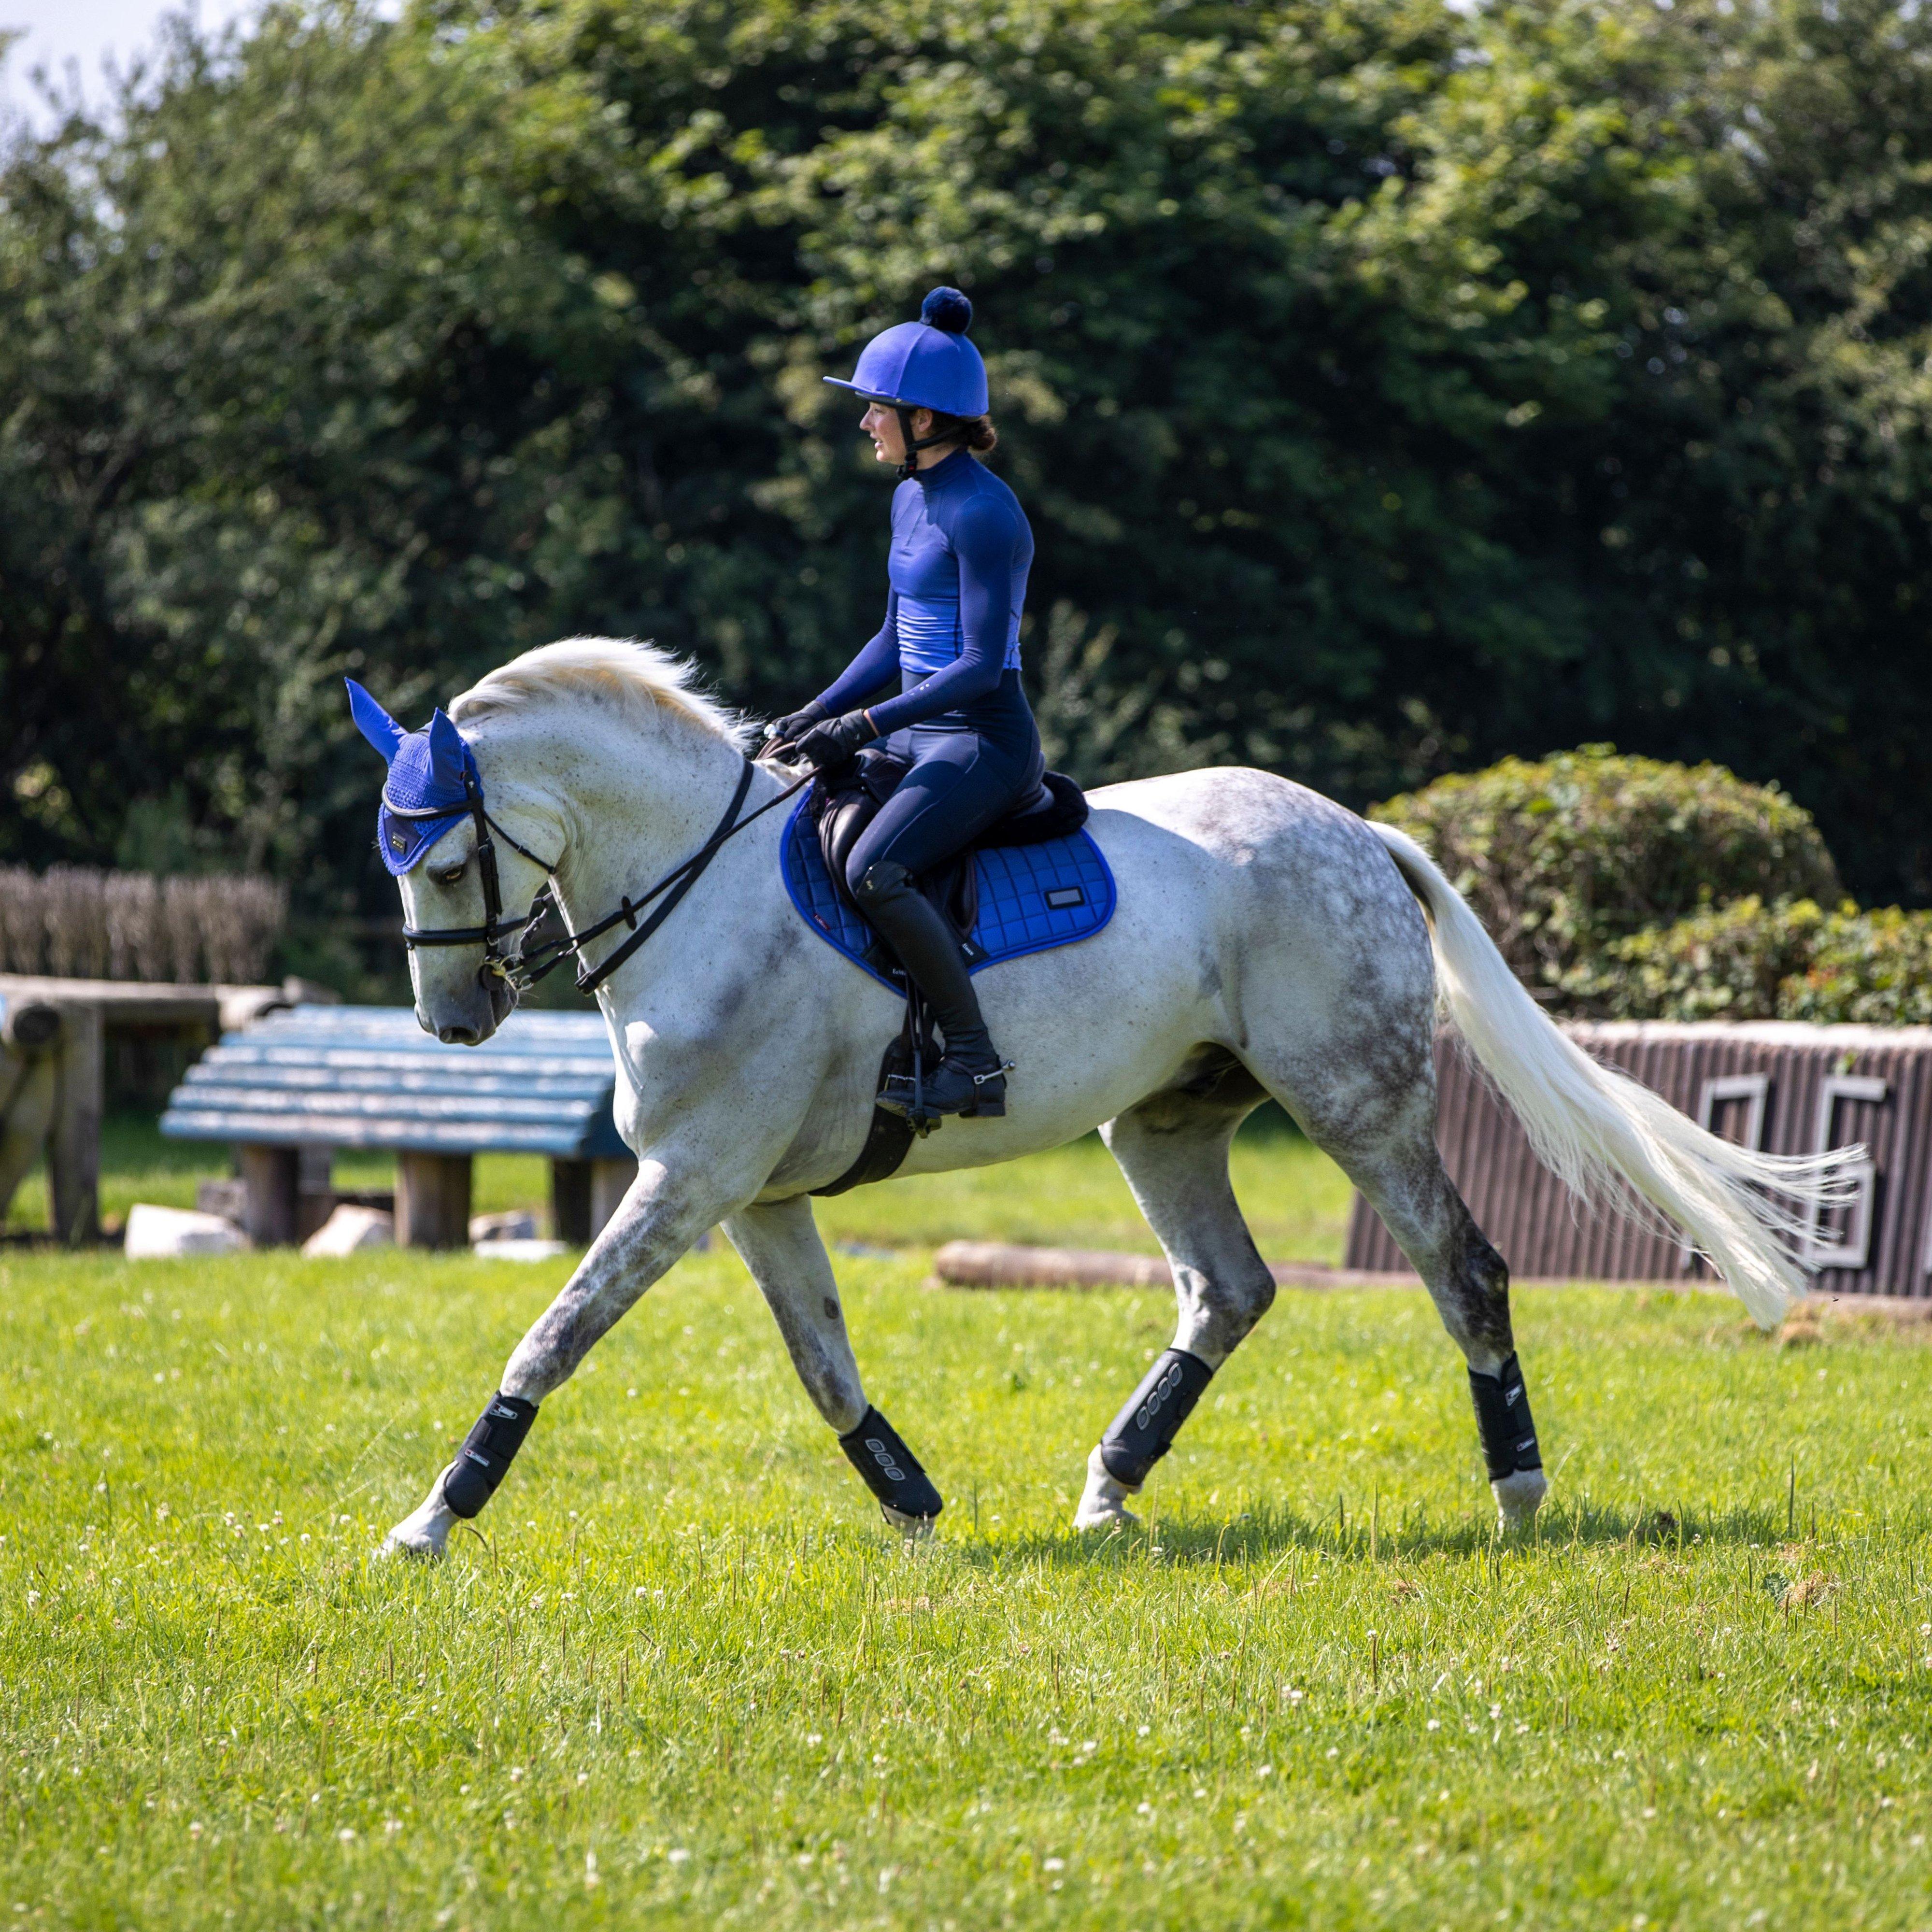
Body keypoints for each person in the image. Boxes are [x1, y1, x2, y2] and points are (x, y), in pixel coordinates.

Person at [771, 286, 1044, 1120]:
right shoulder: (909, 495)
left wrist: (861, 725)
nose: (865, 423)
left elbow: (979, 667)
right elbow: (894, 640)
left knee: (876, 870)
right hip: (916, 736)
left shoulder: (985, 513)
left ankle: (976, 1063)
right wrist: (814, 712)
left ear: (922, 419)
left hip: (981, 742)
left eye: (876, 410)